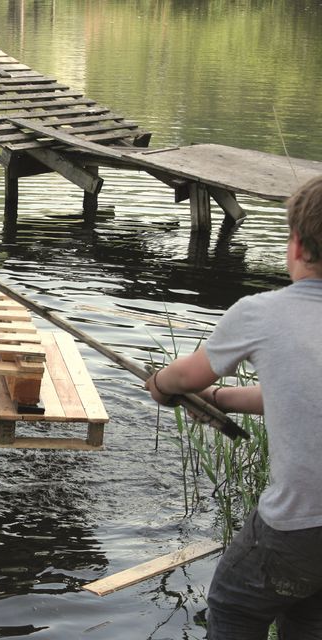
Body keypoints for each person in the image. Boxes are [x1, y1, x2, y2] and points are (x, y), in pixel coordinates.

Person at [145, 174, 322, 639]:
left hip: (297, 528)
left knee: (233, 609)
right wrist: (223, 400)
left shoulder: (260, 311)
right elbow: (304, 395)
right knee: (308, 622)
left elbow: (188, 376)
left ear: (298, 246)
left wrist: (161, 384)